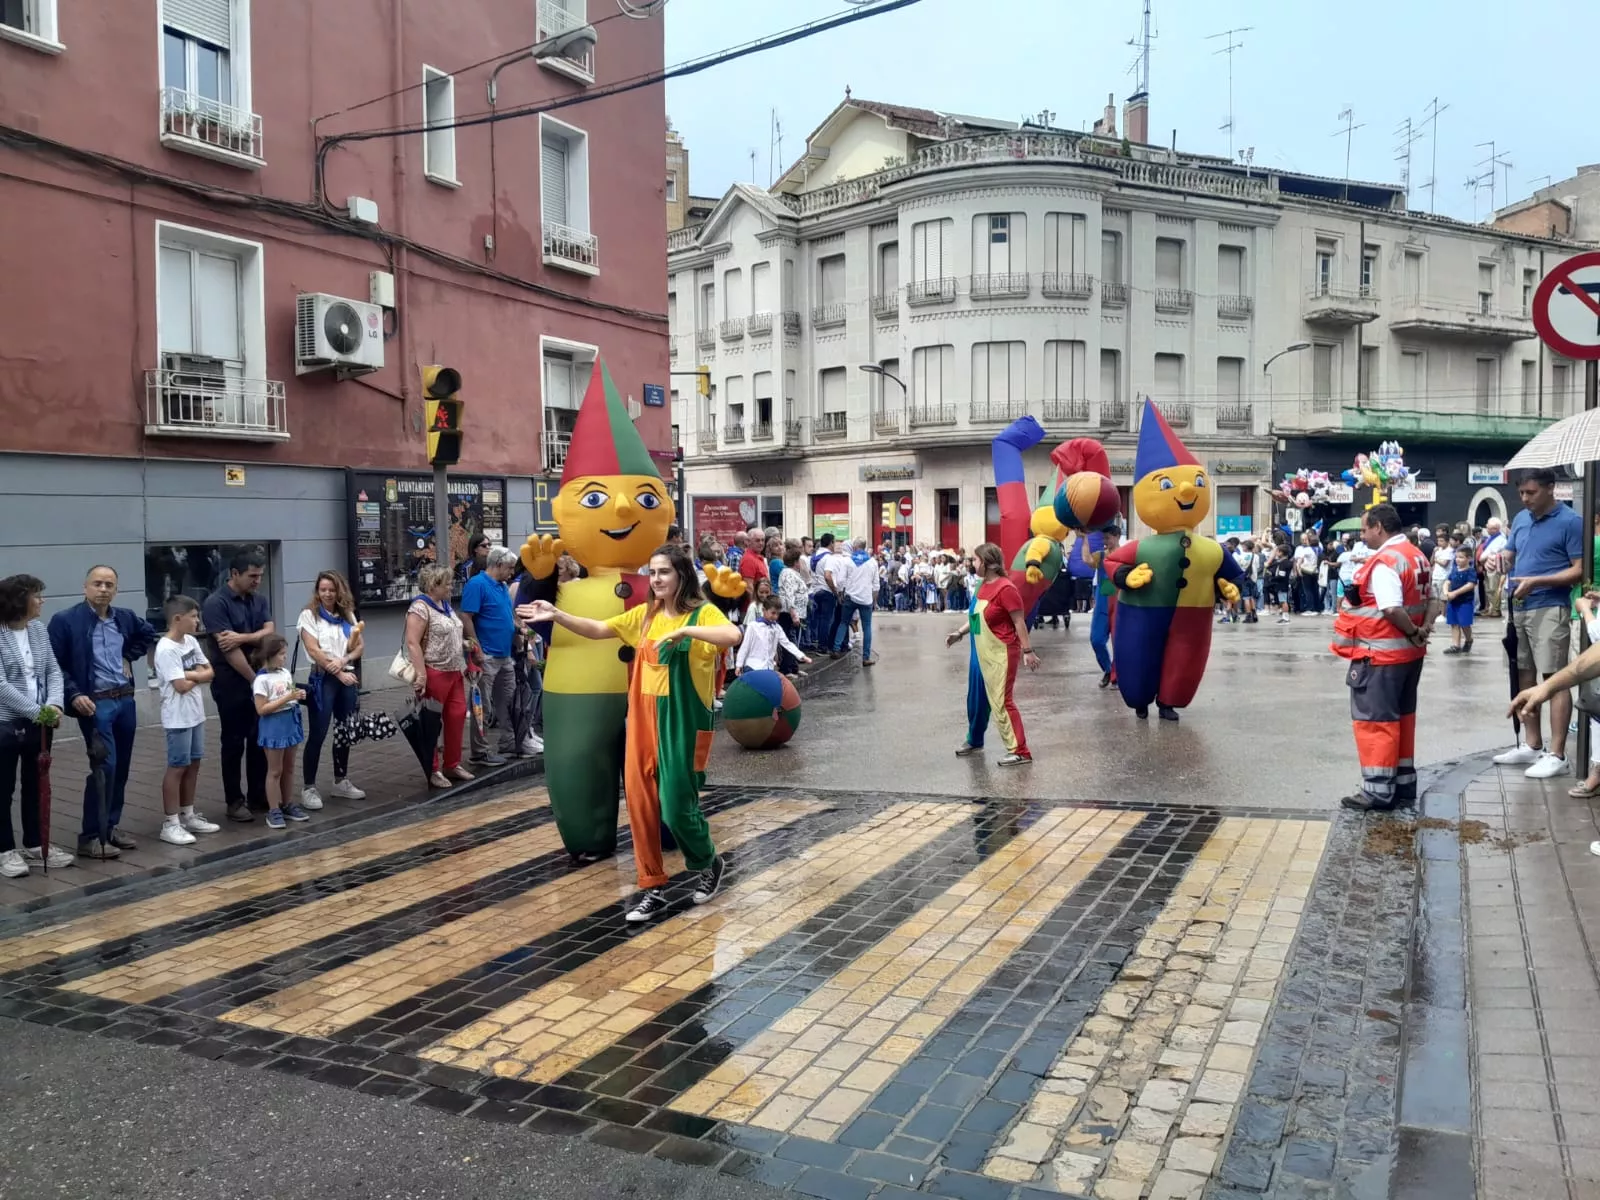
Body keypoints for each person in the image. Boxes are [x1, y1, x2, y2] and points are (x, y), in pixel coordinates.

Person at [521, 544, 740, 923]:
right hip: (641, 720)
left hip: (683, 724)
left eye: (664, 572)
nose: (655, 579)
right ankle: (651, 887)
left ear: (681, 575)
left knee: (675, 808)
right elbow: (600, 628)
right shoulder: (644, 616)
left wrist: (687, 629)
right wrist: (557, 614)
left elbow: (732, 634)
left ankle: (708, 862)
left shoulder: (704, 612)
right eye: (652, 572)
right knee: (640, 808)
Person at [1330, 504, 1436, 811]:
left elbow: (1390, 608)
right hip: (1409, 656)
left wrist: (1412, 631)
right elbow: (1433, 599)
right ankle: (1402, 784)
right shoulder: (1415, 556)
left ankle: (1377, 791)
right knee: (1403, 719)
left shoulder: (1385, 561)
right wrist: (1421, 631)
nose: (1362, 535)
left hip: (1378, 655)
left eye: (1364, 529)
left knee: (1375, 721)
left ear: (1379, 527)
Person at [47, 564, 157, 856]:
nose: (104, 589)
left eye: (109, 585)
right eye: (98, 584)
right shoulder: (65, 621)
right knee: (104, 766)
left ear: (116, 590)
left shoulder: (124, 618)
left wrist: (128, 655)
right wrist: (74, 694)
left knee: (120, 767)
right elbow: (55, 665)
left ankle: (110, 826)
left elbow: (148, 635)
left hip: (125, 699)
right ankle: (91, 836)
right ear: (85, 587)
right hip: (95, 704)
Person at [1494, 468, 1584, 779]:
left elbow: (1579, 571)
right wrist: (1501, 560)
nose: (1525, 498)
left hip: (1550, 606)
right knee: (1524, 674)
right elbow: (1510, 553)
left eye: (1531, 492)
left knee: (1554, 677)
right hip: (1519, 605)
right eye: (1521, 493)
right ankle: (1532, 744)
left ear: (1551, 489)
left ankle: (1557, 754)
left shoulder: (1571, 522)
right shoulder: (1520, 519)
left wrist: (1538, 581)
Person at [0, 575, 71, 877]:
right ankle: (5, 850)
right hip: (6, 723)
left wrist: (54, 705)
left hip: (40, 723)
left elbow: (53, 671)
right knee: (3, 789)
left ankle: (34, 844)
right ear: (19, 600)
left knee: (36, 785)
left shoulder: (38, 630)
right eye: (37, 596)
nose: (42, 601)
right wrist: (38, 712)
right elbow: (0, 684)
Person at [199, 551, 274, 825]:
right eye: (252, 576)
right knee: (233, 742)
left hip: (258, 679)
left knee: (258, 738)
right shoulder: (215, 604)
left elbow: (270, 630)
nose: (257, 581)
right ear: (234, 574)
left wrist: (244, 636)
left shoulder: (259, 600)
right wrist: (254, 679)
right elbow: (229, 651)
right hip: (231, 682)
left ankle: (258, 796)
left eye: (261, 576)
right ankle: (234, 800)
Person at [955, 542, 1038, 766]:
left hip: (1001, 651)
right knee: (976, 699)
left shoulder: (1006, 588)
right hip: (981, 651)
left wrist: (1027, 651)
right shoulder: (982, 586)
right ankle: (975, 740)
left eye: (975, 560)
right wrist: (960, 633)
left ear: (988, 563)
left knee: (1002, 701)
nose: (971, 563)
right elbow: (976, 617)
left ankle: (1020, 750)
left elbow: (1019, 621)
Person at [152, 595, 221, 845]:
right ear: (177, 619)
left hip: (195, 714)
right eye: (193, 617)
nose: (197, 621)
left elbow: (210, 671)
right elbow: (180, 686)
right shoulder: (166, 648)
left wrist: (190, 674)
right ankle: (170, 823)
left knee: (194, 765)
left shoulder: (191, 641)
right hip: (177, 717)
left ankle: (188, 814)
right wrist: (196, 676)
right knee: (177, 766)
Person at [295, 570, 366, 808]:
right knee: (318, 732)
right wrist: (336, 671)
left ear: (339, 591)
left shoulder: (347, 615)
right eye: (323, 589)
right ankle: (309, 787)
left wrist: (343, 663)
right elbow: (313, 650)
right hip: (322, 679)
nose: (327, 593)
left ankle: (341, 780)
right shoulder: (309, 615)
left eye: (331, 589)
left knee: (344, 730)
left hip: (345, 676)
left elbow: (358, 647)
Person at [405, 563, 471, 790]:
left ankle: (452, 763)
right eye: (448, 583)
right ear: (434, 584)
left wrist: (465, 644)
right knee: (431, 722)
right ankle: (433, 769)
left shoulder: (445, 605)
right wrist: (421, 675)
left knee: (457, 715)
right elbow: (413, 643)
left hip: (455, 671)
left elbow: (450, 632)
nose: (451, 587)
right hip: (435, 671)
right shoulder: (420, 607)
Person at [461, 545, 519, 768]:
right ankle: (480, 751)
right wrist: (476, 648)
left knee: (509, 700)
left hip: (504, 654)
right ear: (498, 565)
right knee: (481, 705)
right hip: (487, 655)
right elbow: (466, 617)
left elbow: (507, 615)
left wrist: (520, 629)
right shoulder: (477, 584)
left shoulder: (502, 586)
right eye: (509, 568)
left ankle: (508, 741)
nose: (511, 572)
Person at [251, 634, 309, 830]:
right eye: (281, 654)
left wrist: (298, 695)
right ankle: (273, 809)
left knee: (289, 768)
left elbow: (290, 691)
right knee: (275, 770)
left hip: (290, 720)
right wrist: (287, 698)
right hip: (273, 725)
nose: (284, 657)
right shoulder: (261, 680)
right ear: (270, 655)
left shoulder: (284, 672)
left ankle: (288, 803)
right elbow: (261, 709)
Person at [736, 594, 811, 675]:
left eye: (778, 614)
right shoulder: (753, 626)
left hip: (768, 667)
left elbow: (787, 643)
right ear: (764, 610)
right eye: (773, 613)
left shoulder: (777, 628)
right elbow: (745, 646)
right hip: (753, 667)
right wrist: (738, 665)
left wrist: (801, 655)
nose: (775, 616)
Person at [837, 538, 878, 664]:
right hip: (866, 599)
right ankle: (866, 657)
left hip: (850, 596)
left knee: (843, 623)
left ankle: (836, 649)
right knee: (867, 627)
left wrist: (840, 594)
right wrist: (874, 601)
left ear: (854, 547)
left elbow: (840, 581)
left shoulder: (848, 561)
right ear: (865, 547)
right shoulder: (872, 562)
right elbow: (876, 585)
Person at [1090, 526, 1121, 686]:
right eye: (1104, 538)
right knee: (1096, 640)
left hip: (1121, 604)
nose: (1105, 542)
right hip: (1102, 603)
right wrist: (1082, 539)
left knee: (1119, 642)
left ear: (1116, 537)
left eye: (1108, 538)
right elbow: (1086, 561)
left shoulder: (1126, 555)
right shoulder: (1100, 556)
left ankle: (1116, 676)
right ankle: (1108, 670)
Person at [1442, 547, 1477, 655]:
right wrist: (1446, 592)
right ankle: (1455, 645)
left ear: (1469, 558)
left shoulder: (1470, 571)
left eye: (1461, 557)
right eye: (1456, 557)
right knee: (1454, 623)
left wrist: (1455, 593)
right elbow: (1447, 582)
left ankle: (1468, 639)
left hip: (1465, 602)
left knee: (1464, 623)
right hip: (1453, 602)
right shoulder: (1454, 570)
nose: (1458, 560)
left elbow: (1471, 585)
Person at [1478, 517, 1507, 617]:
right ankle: (1491, 608)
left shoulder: (1500, 539)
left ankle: (1495, 609)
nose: (1488, 530)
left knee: (1493, 588)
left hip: (1494, 567)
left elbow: (1491, 552)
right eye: (1488, 528)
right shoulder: (1490, 538)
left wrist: (1481, 559)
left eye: (1491, 528)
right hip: (1488, 566)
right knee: (1489, 588)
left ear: (1497, 529)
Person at [1267, 544, 1296, 624]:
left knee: (1283, 601)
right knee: (1282, 601)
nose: (1276, 553)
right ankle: (1284, 616)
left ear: (1281, 553)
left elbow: (1281, 575)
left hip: (1282, 584)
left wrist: (1273, 578)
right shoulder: (1286, 562)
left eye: (1277, 552)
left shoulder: (1283, 563)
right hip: (1283, 584)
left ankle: (1286, 618)